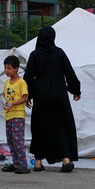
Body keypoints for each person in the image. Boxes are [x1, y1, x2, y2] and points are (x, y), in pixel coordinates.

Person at [23, 26, 81, 173]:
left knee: (40, 127)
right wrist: (75, 90)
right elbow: (69, 73)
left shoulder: (35, 55)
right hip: (59, 94)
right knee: (61, 126)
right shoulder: (59, 53)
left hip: (41, 95)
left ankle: (38, 163)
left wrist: (28, 95)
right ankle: (66, 159)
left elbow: (28, 77)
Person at [1, 55, 30, 174]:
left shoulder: (21, 82)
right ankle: (16, 163)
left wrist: (13, 103)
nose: (6, 70)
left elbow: (25, 97)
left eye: (9, 68)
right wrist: (8, 104)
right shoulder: (7, 82)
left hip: (17, 115)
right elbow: (4, 94)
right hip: (9, 114)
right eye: (5, 68)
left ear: (16, 68)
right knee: (11, 140)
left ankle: (23, 164)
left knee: (18, 140)